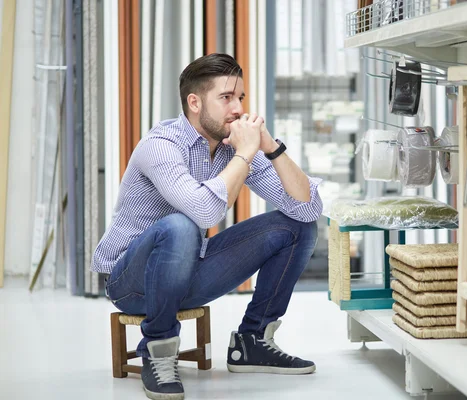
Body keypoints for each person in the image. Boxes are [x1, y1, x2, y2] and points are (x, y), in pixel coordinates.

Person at [92, 53, 323, 400]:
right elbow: (202, 213)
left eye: (241, 98)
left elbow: (308, 207)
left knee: (298, 228)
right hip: (130, 282)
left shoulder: (234, 147)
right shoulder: (161, 145)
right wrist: (246, 155)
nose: (237, 109)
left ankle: (252, 341)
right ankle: (158, 351)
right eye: (226, 98)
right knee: (179, 226)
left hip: (187, 272)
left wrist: (270, 148)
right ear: (195, 103)